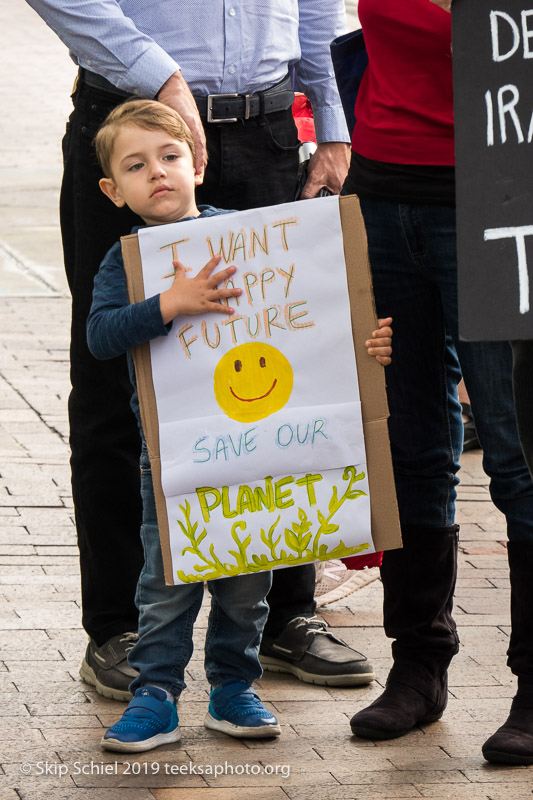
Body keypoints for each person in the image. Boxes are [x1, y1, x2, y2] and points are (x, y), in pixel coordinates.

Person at [25, 0, 374, 699]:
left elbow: (316, 10)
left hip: (268, 136)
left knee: (287, 382)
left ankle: (285, 615)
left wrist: (334, 128)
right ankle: (118, 626)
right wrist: (161, 77)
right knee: (116, 385)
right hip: (132, 133)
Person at [85, 99, 393, 752]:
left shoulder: (244, 238)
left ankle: (233, 688)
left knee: (248, 584)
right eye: (137, 167)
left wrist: (365, 346)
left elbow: (311, 319)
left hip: (261, 453)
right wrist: (167, 303)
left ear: (196, 162)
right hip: (172, 459)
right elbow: (101, 337)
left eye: (169, 158)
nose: (158, 173)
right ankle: (156, 694)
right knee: (165, 585)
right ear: (114, 191)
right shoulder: (128, 260)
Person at [344, 0, 533, 766]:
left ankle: (530, 685)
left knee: (516, 455)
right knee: (408, 443)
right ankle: (417, 665)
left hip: (494, 195)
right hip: (381, 190)